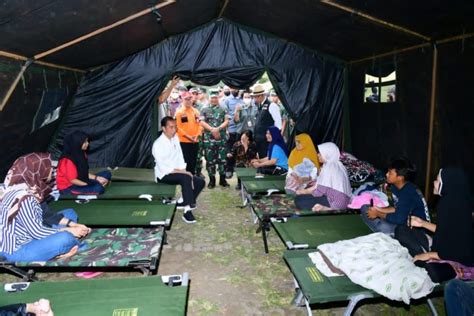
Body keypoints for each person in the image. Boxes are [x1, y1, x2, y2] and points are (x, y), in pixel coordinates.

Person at [1, 153, 90, 262]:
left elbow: (45, 215)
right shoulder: (25, 198)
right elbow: (37, 232)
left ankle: (62, 248)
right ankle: (73, 247)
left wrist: (73, 225)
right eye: (48, 167)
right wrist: (70, 231)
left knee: (69, 214)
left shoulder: (24, 188)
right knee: (65, 238)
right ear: (38, 170)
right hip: (15, 250)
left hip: (26, 234)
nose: (51, 171)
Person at [395, 168, 473, 283]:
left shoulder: (449, 207)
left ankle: (429, 261)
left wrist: (426, 255)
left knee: (430, 270)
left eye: (437, 181)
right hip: (443, 249)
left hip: (454, 257)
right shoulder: (456, 202)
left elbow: (455, 249)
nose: (434, 183)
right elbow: (447, 232)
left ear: (447, 185)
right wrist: (422, 223)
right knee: (402, 229)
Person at [153, 116, 205, 224]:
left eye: (175, 127)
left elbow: (180, 157)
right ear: (163, 128)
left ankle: (183, 202)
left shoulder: (175, 138)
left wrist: (184, 170)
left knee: (200, 182)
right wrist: (185, 172)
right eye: (171, 127)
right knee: (186, 177)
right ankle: (187, 211)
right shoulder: (158, 144)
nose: (174, 130)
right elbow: (165, 168)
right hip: (163, 175)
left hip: (177, 172)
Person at [360, 157, 430, 235]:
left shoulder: (408, 192)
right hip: (402, 219)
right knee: (365, 208)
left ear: (400, 177)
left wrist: (378, 214)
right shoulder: (396, 186)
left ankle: (389, 234)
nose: (386, 174)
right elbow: (397, 208)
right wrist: (378, 209)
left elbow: (399, 219)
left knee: (383, 226)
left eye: (390, 173)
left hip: (415, 229)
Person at [295, 142, 351, 211]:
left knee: (300, 200)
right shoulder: (339, 165)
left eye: (320, 153)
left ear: (327, 154)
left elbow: (318, 192)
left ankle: (327, 209)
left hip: (336, 203)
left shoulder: (329, 167)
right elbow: (322, 185)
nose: (318, 155)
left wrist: (303, 192)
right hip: (345, 201)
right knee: (308, 189)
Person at [56, 131, 111, 195]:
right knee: (98, 188)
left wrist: (96, 178)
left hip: (81, 179)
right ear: (77, 143)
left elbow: (83, 173)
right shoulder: (67, 160)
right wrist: (92, 183)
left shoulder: (82, 153)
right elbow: (73, 180)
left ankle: (95, 186)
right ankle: (77, 191)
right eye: (84, 142)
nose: (87, 144)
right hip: (69, 187)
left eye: (87, 141)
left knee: (107, 173)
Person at [200, 91, 230, 188]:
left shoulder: (223, 108)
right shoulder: (204, 109)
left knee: (223, 160)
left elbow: (227, 121)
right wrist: (212, 130)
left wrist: (218, 129)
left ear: (218, 98)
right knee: (210, 160)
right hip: (209, 140)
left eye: (215, 98)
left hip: (221, 139)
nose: (214, 99)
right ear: (209, 98)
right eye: (212, 98)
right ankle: (211, 180)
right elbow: (201, 122)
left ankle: (222, 180)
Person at [252, 84, 282, 158]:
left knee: (268, 158)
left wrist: (273, 138)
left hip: (267, 140)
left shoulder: (272, 105)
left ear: (260, 96)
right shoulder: (260, 106)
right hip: (260, 140)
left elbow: (278, 124)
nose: (254, 99)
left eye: (255, 97)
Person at [175, 91, 202, 174]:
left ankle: (192, 178)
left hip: (195, 141)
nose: (188, 101)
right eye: (186, 99)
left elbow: (200, 125)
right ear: (182, 100)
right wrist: (188, 137)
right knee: (184, 161)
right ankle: (185, 179)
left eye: (190, 98)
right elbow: (177, 127)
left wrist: (197, 136)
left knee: (193, 161)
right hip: (184, 141)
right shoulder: (179, 112)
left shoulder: (196, 112)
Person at [223, 88, 244, 178]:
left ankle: (238, 169)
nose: (235, 90)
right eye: (233, 88)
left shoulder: (242, 100)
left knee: (239, 150)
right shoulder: (227, 100)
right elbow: (225, 115)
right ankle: (229, 169)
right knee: (230, 151)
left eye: (236, 88)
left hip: (240, 129)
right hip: (231, 129)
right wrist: (226, 129)